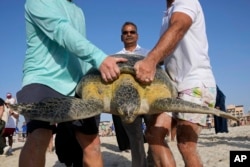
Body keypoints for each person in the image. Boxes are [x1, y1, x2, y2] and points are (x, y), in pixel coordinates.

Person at [16, 1, 127, 167]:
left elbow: (78, 47)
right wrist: (100, 59)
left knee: (92, 144)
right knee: (39, 135)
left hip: (76, 83)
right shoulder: (38, 1)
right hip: (43, 78)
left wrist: (93, 78)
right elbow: (61, 31)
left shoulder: (78, 11)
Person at [134, 0, 217, 166]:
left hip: (195, 82)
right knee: (153, 135)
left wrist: (151, 60)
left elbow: (179, 26)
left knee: (186, 145)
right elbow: (167, 52)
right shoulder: (168, 12)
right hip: (172, 86)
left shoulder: (187, 2)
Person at [112, 21, 149, 167]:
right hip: (128, 101)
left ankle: (153, 161)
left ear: (137, 35)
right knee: (135, 138)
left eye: (132, 32)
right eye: (125, 32)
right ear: (121, 37)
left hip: (148, 98)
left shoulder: (148, 54)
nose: (129, 35)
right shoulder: (115, 57)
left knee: (154, 135)